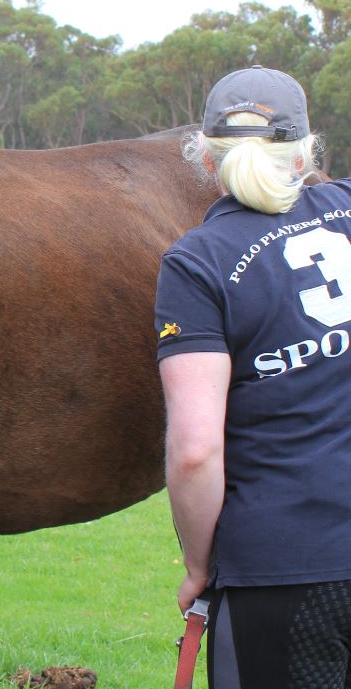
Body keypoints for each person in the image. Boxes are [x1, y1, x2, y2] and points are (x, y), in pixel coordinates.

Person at [155, 64, 351, 688]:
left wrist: (197, 563)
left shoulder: (196, 264)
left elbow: (194, 451)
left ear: (207, 163)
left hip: (283, 569)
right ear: (304, 156)